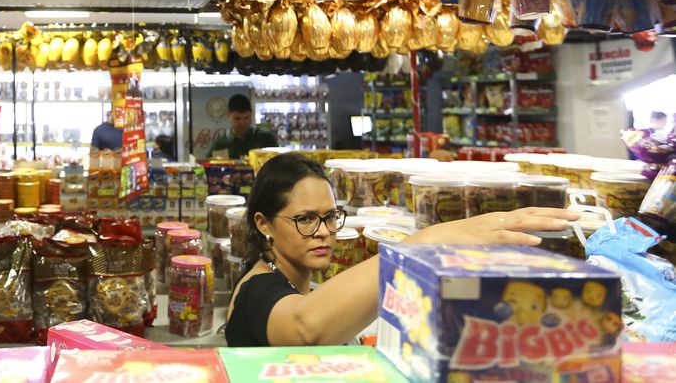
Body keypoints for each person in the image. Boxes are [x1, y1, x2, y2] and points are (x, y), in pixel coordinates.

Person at [225, 153, 577, 347]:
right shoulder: (257, 292)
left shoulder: (294, 282)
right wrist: (425, 241)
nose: (324, 232)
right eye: (305, 219)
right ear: (264, 224)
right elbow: (306, 327)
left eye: (330, 217)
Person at [207, 93, 278, 159]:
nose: (242, 123)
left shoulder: (267, 139)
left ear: (251, 114)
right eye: (237, 118)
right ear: (228, 115)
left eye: (246, 118)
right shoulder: (219, 146)